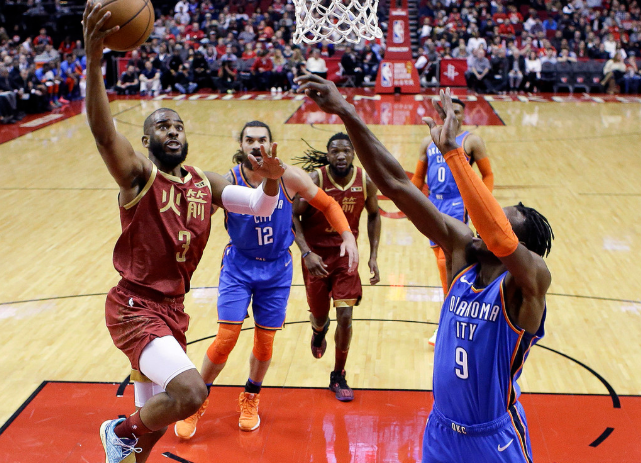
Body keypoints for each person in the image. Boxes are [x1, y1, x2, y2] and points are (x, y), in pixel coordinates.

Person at [295, 74, 553, 463]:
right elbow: (396, 184)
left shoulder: (529, 281)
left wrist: (452, 153)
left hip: (494, 438)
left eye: (501, 218)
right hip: (440, 432)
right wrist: (346, 111)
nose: (483, 220)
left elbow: (501, 239)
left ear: (522, 243)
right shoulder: (462, 252)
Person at [83, 4, 286, 463]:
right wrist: (95, 61)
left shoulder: (204, 182)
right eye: (162, 127)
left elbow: (260, 205)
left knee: (153, 427)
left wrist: (272, 180)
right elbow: (103, 134)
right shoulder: (138, 176)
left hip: (172, 310)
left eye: (177, 126)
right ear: (146, 140)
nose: (172, 132)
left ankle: (128, 442)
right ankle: (117, 429)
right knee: (192, 392)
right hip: (135, 307)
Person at [174, 121, 359, 438]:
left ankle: (251, 396)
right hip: (239, 266)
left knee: (265, 341)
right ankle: (197, 400)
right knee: (226, 338)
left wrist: (348, 236)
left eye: (262, 139)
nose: (256, 145)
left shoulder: (289, 177)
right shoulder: (229, 181)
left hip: (276, 269)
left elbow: (327, 203)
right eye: (249, 140)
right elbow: (197, 218)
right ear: (241, 145)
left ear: (272, 145)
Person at [292, 133, 381, 401]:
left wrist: (373, 256)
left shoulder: (365, 181)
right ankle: (319, 330)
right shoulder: (315, 180)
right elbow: (292, 216)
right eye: (335, 151)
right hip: (316, 257)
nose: (341, 156)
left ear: (354, 153)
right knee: (320, 317)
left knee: (346, 317)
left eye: (346, 151)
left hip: (345, 256)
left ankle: (338, 374)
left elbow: (374, 215)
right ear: (328, 154)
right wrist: (306, 252)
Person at [411, 97, 493, 345]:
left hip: (459, 203)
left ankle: (448, 321)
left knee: (447, 262)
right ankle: (455, 317)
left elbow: (488, 175)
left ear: (463, 115)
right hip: (434, 204)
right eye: (448, 111)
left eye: (456, 111)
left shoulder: (471, 141)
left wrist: (482, 204)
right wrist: (410, 204)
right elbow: (417, 179)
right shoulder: (428, 141)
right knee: (443, 263)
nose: (452, 115)